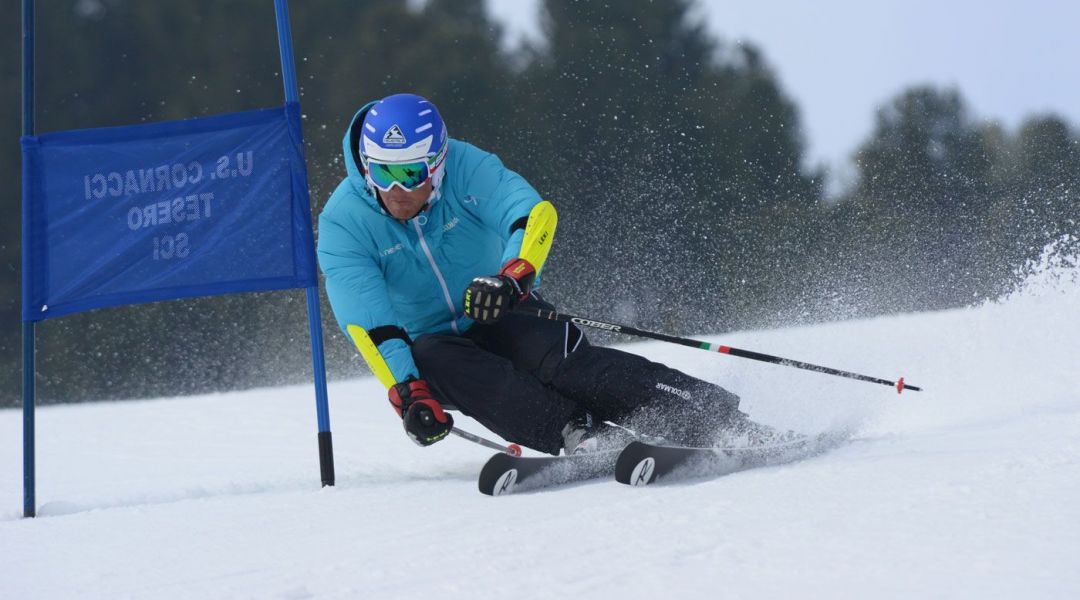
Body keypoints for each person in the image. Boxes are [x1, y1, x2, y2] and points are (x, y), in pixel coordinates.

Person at [317, 93, 773, 455]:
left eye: (409, 172)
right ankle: (579, 433)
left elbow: (531, 213)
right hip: (436, 347)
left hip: (497, 304)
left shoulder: (466, 166)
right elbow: (369, 322)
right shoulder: (343, 222)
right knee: (435, 354)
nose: (395, 189)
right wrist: (408, 390)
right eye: (381, 172)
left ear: (436, 164)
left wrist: (514, 276)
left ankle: (721, 421)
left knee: (571, 369)